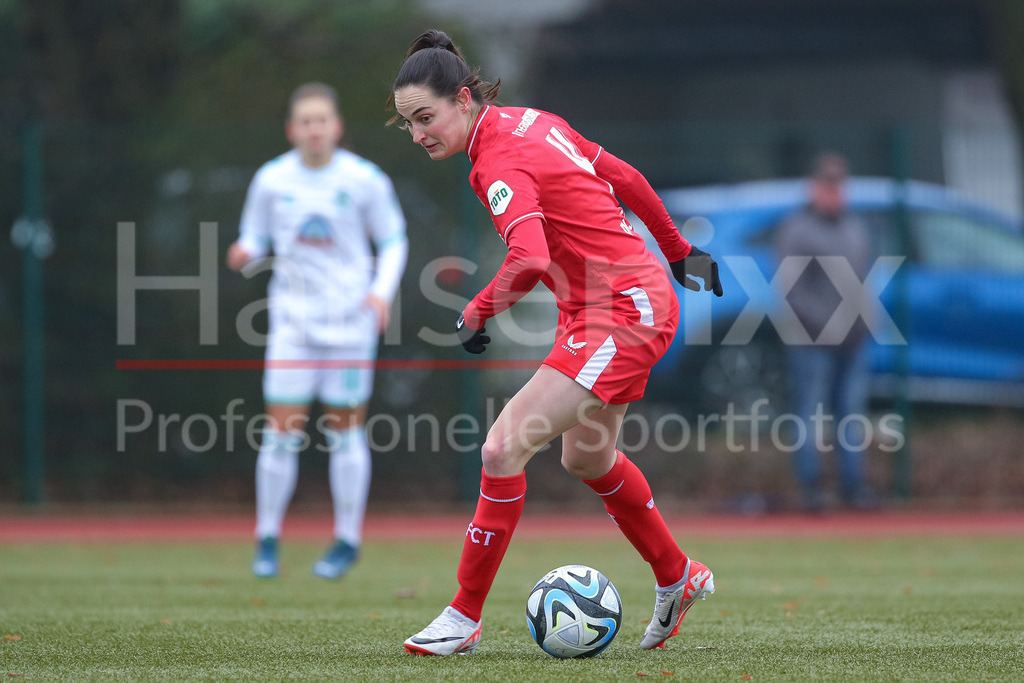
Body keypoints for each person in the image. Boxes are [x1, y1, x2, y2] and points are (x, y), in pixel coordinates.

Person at [388, 30, 723, 656]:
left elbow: (530, 258)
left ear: (463, 99)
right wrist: (678, 251)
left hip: (620, 313)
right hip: (619, 305)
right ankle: (678, 574)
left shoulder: (497, 161)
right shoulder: (532, 121)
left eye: (425, 118)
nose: (417, 134)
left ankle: (463, 616)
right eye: (408, 123)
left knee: (500, 448)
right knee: (587, 460)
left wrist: (477, 311)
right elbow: (622, 175)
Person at [227, 82, 408, 579]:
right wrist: (246, 251)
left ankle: (347, 540)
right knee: (280, 432)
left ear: (337, 126)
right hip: (293, 325)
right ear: (292, 129)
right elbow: (255, 234)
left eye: (322, 120)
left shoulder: (364, 179)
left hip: (350, 325)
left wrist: (381, 293)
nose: (314, 129)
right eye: (306, 121)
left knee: (346, 433)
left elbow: (394, 240)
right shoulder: (271, 179)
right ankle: (267, 540)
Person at [774, 153, 875, 511]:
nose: (835, 193)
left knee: (851, 413)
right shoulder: (797, 230)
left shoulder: (855, 227)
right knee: (810, 413)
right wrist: (828, 326)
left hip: (853, 341)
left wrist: (863, 322)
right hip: (811, 341)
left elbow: (862, 282)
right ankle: (811, 489)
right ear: (813, 187)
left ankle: (853, 487)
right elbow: (793, 291)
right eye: (828, 185)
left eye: (840, 185)